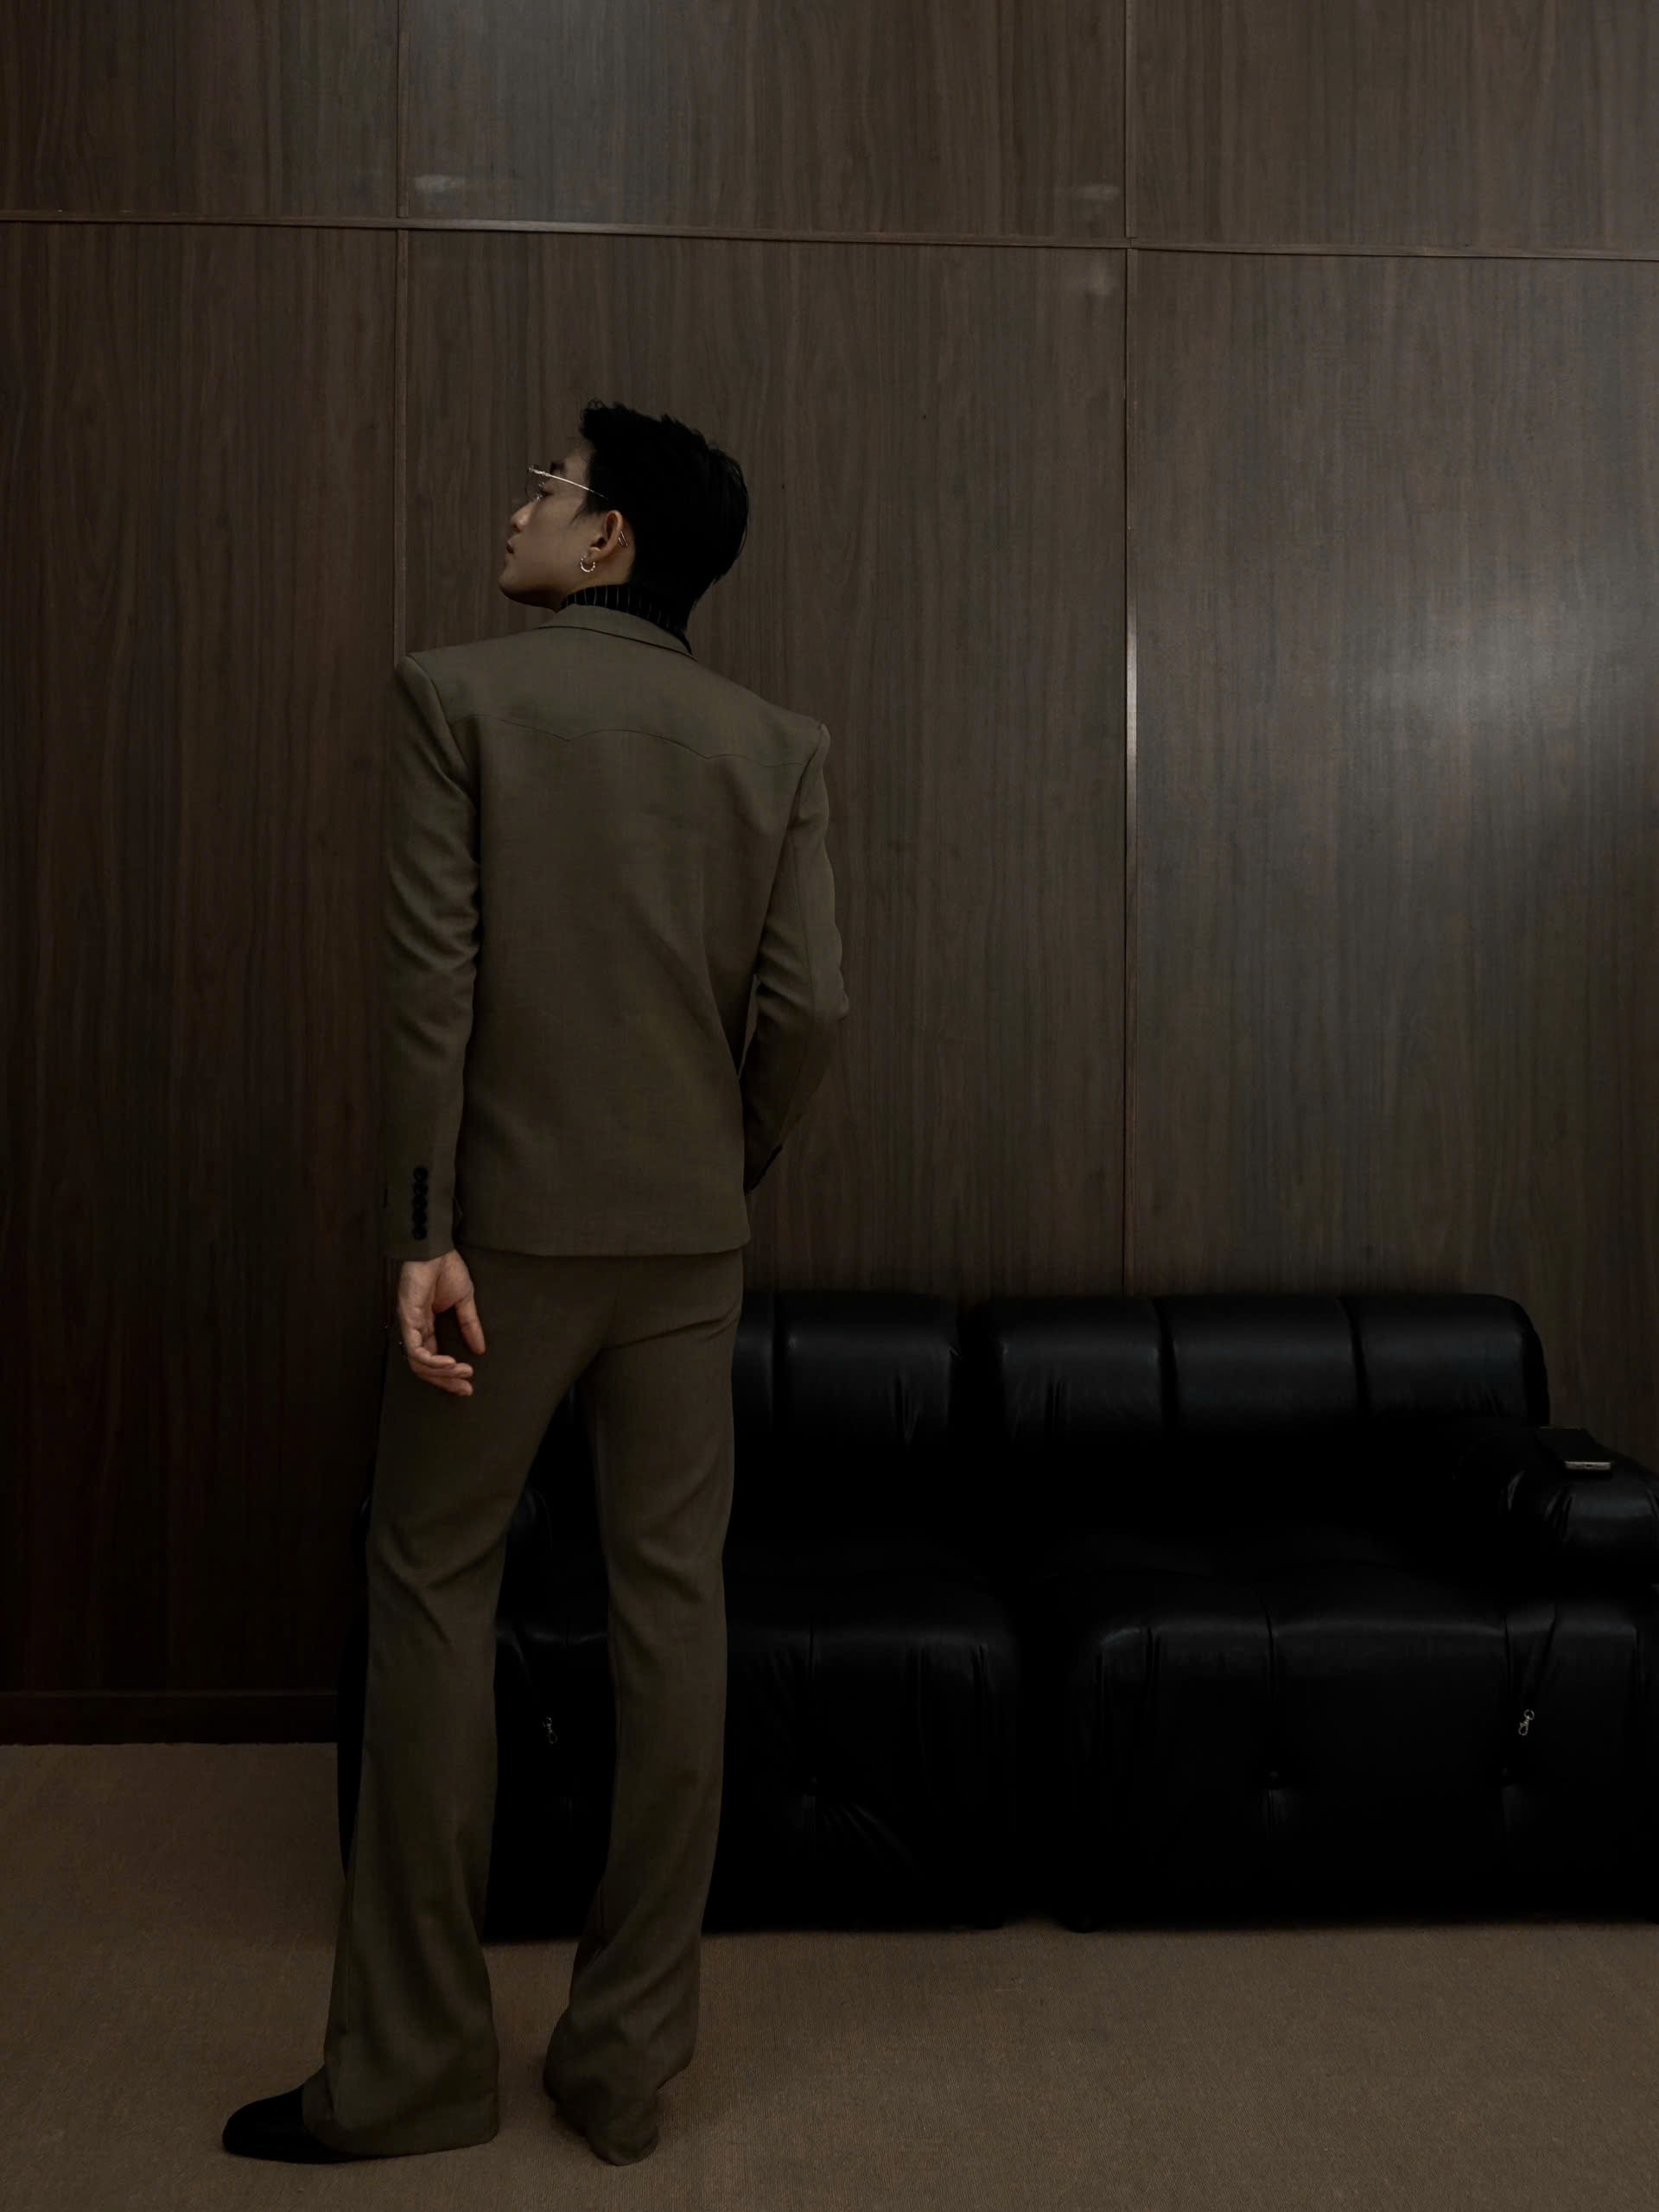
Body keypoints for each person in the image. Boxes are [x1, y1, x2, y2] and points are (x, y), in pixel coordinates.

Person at [223, 401, 850, 2165]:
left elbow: (436, 981)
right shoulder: (777, 744)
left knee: (434, 1588)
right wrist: (720, 1163)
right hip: (686, 1241)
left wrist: (423, 1229)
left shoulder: (459, 697)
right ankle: (623, 2064)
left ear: (611, 538)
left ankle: (413, 2071)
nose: (520, 511)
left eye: (548, 489)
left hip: (496, 1240)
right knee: (676, 1614)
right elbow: (811, 1011)